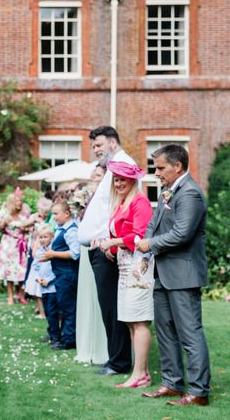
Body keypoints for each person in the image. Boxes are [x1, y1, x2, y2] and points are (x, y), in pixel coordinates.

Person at [137, 145, 211, 406]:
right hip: (163, 272)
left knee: (190, 334)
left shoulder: (190, 193)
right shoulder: (167, 191)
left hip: (184, 274)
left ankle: (199, 391)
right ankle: (172, 383)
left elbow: (182, 234)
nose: (156, 173)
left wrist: (150, 245)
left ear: (177, 166)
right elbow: (153, 224)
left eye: (160, 168)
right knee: (165, 331)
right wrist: (145, 252)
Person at [78, 126, 134, 376]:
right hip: (100, 247)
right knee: (108, 306)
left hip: (107, 249)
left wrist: (110, 241)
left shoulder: (123, 165)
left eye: (99, 144)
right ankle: (115, 358)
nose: (96, 150)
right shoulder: (114, 166)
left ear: (112, 142)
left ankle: (119, 362)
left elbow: (123, 208)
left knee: (112, 307)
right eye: (93, 146)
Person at [98, 161, 153, 388]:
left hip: (138, 268)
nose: (119, 183)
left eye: (123, 179)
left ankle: (140, 374)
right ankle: (141, 373)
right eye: (116, 179)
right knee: (131, 321)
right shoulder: (121, 203)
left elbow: (139, 236)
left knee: (139, 321)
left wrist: (113, 241)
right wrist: (110, 248)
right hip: (123, 266)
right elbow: (121, 236)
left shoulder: (140, 202)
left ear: (133, 180)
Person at [74, 162, 109, 366]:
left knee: (99, 299)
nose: (94, 176)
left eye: (98, 174)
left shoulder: (105, 198)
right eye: (94, 173)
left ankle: (102, 348)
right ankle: (87, 345)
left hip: (99, 249)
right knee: (87, 297)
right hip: (86, 249)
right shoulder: (88, 197)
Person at [39, 200, 80, 350]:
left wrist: (52, 254)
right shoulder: (61, 228)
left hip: (68, 275)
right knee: (62, 305)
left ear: (67, 214)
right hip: (60, 275)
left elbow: (75, 253)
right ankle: (63, 335)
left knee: (68, 307)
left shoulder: (71, 231)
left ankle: (69, 339)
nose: (54, 217)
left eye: (56, 214)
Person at [0, 189, 34, 305]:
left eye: (20, 200)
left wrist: (27, 229)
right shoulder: (4, 212)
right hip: (8, 244)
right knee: (9, 271)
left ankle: (21, 295)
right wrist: (4, 223)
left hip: (22, 243)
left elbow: (31, 225)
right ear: (11, 202)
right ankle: (10, 296)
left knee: (23, 269)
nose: (19, 203)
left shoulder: (25, 212)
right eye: (17, 201)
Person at [32, 224, 58, 343]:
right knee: (47, 311)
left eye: (45, 237)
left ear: (52, 237)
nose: (43, 239)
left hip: (52, 287)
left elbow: (57, 268)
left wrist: (49, 279)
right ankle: (51, 332)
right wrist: (38, 278)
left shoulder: (53, 251)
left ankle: (55, 336)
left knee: (53, 312)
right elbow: (35, 267)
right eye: (40, 237)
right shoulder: (39, 252)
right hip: (43, 288)